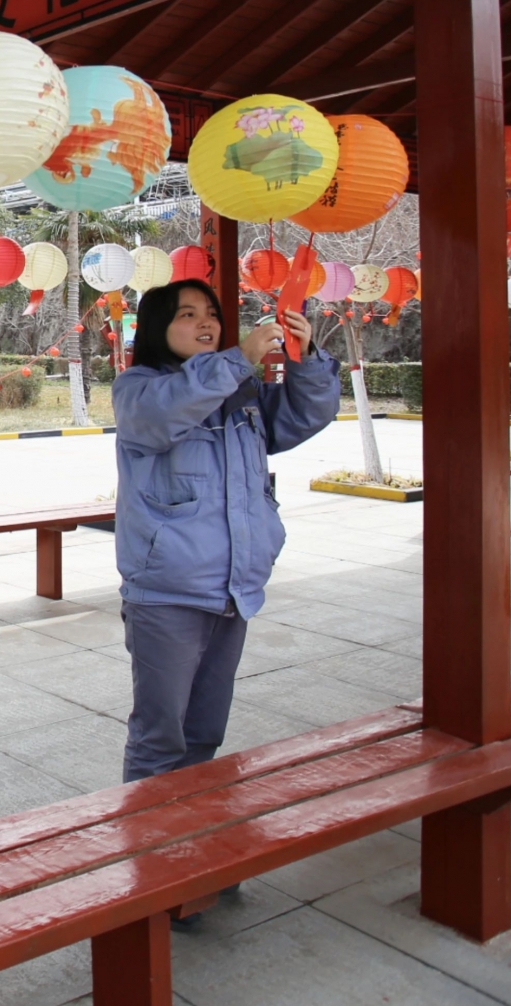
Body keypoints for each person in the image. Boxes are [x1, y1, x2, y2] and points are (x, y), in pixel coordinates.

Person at [111, 280, 340, 790]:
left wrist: (305, 357)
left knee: (205, 731)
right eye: (188, 314)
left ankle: (193, 827)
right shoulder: (138, 389)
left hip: (233, 588)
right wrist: (239, 359)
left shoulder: (239, 393)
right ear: (158, 327)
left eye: (211, 313)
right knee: (159, 737)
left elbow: (306, 413)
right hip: (168, 594)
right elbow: (165, 412)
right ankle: (149, 835)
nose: (206, 323)